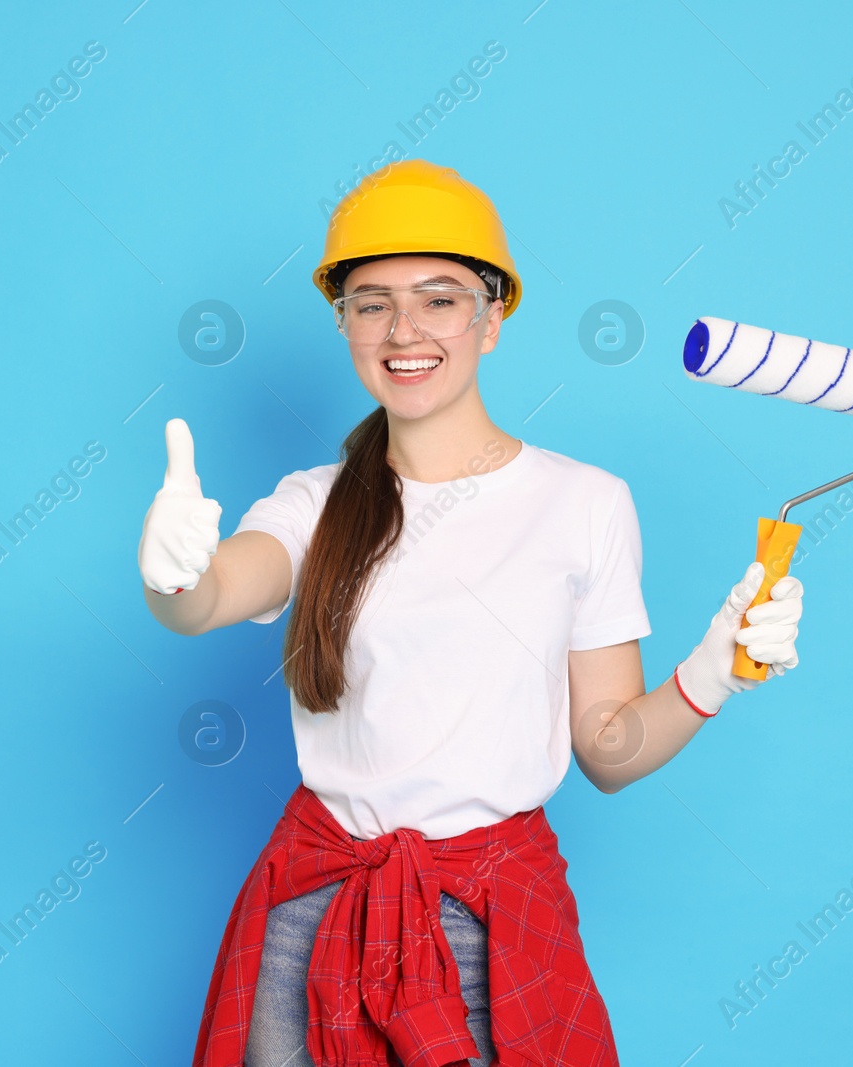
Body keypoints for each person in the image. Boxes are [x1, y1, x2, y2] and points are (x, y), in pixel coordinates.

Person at [139, 160, 804, 1067]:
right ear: (343, 323)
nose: (403, 329)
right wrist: (175, 576)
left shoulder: (585, 503)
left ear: (493, 317)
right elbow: (215, 593)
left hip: (490, 922)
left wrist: (713, 670)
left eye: (439, 299)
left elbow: (608, 750)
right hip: (316, 906)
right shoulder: (312, 503)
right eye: (371, 302)